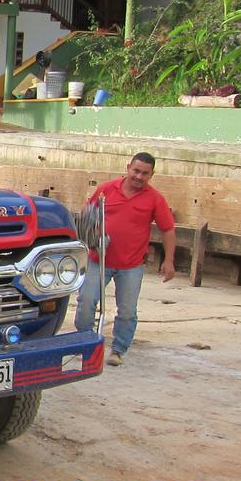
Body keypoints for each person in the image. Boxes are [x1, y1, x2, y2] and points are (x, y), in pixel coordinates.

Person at [74, 152, 177, 367]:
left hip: (131, 265)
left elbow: (168, 230)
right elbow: (85, 216)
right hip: (97, 260)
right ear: (128, 167)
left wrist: (169, 261)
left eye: (145, 173)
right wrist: (91, 237)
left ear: (152, 174)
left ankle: (118, 350)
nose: (139, 176)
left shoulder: (155, 199)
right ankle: (85, 343)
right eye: (136, 171)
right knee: (86, 302)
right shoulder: (105, 190)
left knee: (127, 310)